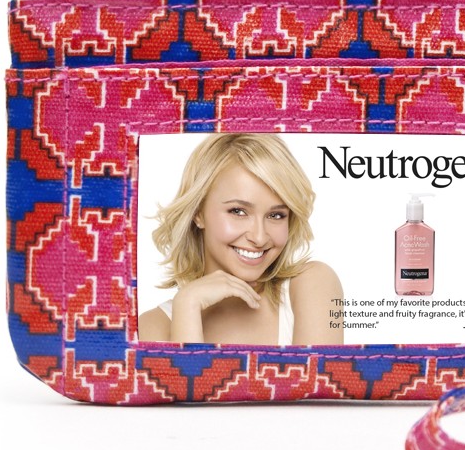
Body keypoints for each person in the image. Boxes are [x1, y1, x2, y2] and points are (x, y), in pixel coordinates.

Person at [138, 133, 344, 345]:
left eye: (276, 215)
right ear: (198, 212)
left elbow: (318, 369)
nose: (259, 237)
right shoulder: (152, 327)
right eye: (238, 211)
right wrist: (187, 306)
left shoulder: (313, 285)